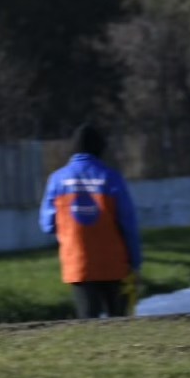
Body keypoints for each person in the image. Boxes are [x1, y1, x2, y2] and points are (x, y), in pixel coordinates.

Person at [40, 122, 142, 319]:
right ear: (100, 148)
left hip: (78, 264)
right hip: (114, 264)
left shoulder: (57, 180)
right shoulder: (112, 178)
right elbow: (128, 225)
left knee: (88, 324)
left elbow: (47, 225)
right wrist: (135, 262)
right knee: (120, 324)